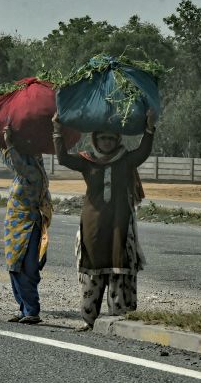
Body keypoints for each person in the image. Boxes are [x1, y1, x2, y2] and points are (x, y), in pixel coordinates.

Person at [53, 109, 156, 331]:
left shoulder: (127, 160)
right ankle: (89, 319)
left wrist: (149, 127)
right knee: (93, 266)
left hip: (120, 222)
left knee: (121, 265)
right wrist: (57, 131)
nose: (107, 142)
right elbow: (62, 158)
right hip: (94, 225)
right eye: (103, 138)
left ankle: (120, 317)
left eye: (111, 138)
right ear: (95, 140)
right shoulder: (87, 161)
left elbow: (144, 150)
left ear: (117, 140)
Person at [0, 125, 52, 324]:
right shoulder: (21, 173)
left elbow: (17, 163)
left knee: (28, 268)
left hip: (29, 226)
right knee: (14, 267)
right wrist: (0, 143)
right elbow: (12, 162)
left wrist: (9, 143)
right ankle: (23, 308)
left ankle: (32, 310)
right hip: (14, 226)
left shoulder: (34, 173)